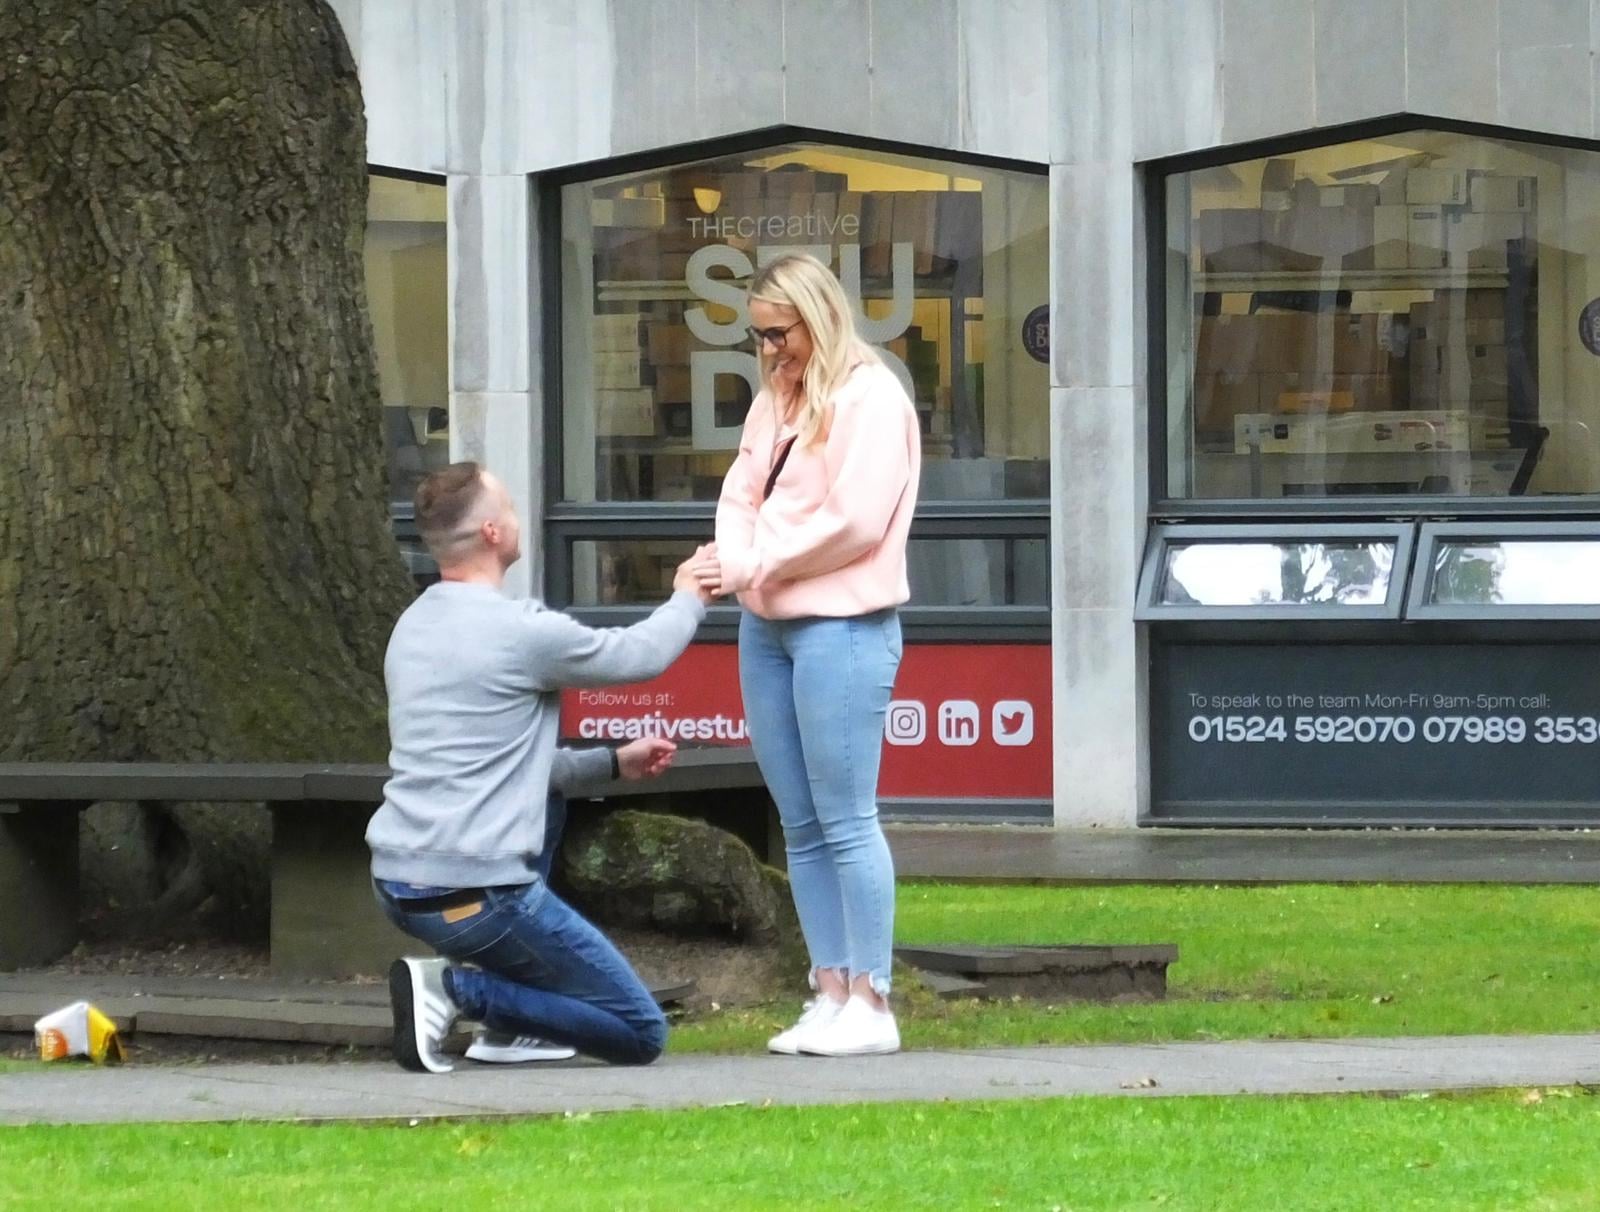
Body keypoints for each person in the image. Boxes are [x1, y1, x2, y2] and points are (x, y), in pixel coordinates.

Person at [366, 461, 717, 1073]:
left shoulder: (412, 624)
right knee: (638, 1031)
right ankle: (455, 992)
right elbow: (642, 655)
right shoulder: (519, 631)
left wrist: (611, 763)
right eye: (507, 504)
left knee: (547, 806)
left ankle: (515, 1028)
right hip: (476, 896)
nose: (517, 513)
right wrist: (689, 592)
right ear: (494, 533)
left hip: (399, 882)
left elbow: (496, 769)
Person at [698, 252, 921, 1056]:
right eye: (756, 337)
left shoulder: (872, 399)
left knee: (848, 818)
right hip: (767, 627)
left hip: (843, 626)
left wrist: (756, 563)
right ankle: (830, 988)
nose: (767, 351)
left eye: (777, 333)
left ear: (816, 316)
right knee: (801, 821)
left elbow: (856, 522)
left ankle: (874, 998)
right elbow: (739, 493)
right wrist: (736, 562)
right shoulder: (776, 402)